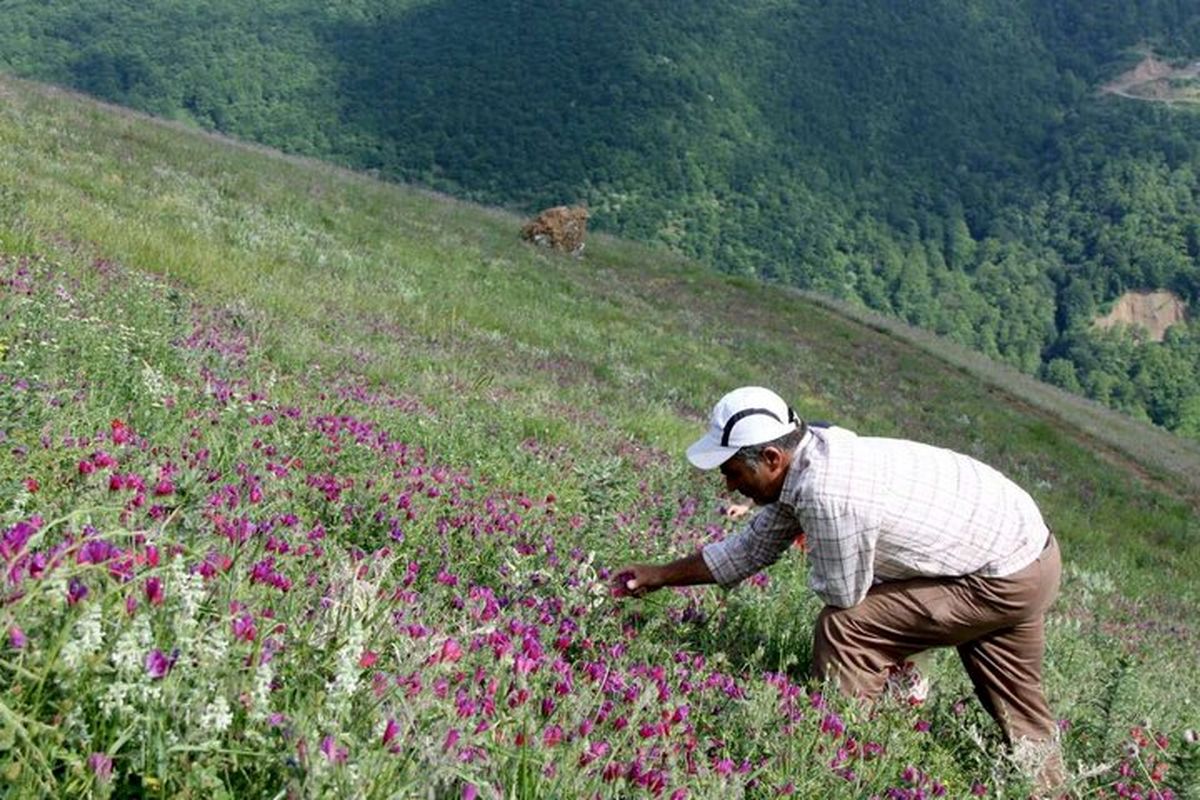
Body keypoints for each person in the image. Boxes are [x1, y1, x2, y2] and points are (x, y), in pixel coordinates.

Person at [615, 386, 1064, 793]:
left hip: (1000, 578)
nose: (729, 485)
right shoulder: (812, 457)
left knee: (846, 628)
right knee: (1021, 708)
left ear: (772, 457)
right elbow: (750, 548)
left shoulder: (828, 495)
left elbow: (846, 596)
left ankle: (847, 764)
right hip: (1030, 552)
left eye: (733, 471)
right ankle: (1051, 789)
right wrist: (658, 575)